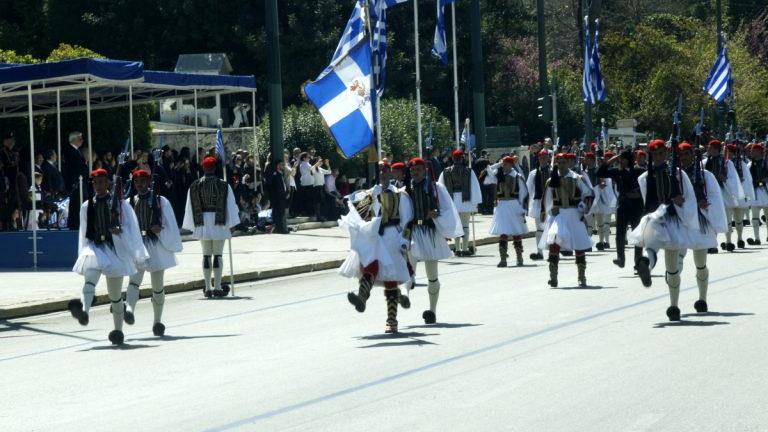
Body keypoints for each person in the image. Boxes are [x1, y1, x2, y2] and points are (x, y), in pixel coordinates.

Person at [68, 168, 148, 345]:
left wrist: (120, 231)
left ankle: (118, 331)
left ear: (108, 183)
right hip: (95, 247)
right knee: (90, 280)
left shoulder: (120, 204)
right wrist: (83, 252)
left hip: (115, 249)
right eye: (95, 183)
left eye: (101, 182)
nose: (98, 186)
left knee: (115, 295)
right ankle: (84, 311)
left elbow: (131, 227)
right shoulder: (86, 206)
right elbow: (84, 231)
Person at [628, 140, 698, 321]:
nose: (658, 157)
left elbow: (688, 199)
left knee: (671, 268)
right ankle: (645, 265)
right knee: (651, 247)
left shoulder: (678, 174)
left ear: (666, 154)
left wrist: (679, 202)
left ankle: (673, 305)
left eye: (661, 154)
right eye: (654, 154)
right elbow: (647, 200)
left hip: (673, 219)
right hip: (656, 218)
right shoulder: (645, 178)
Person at [340, 161, 413, 333]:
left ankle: (392, 319)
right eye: (380, 170)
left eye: (386, 170)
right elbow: (359, 213)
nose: (382, 173)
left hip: (392, 236)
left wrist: (405, 240)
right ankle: (362, 297)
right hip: (375, 236)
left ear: (391, 172)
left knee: (390, 278)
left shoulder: (399, 194)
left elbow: (407, 218)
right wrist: (349, 203)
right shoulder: (369, 194)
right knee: (370, 266)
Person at [124, 169, 183, 337]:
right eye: (137, 182)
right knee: (134, 281)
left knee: (157, 286)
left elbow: (169, 222)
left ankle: (157, 321)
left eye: (143, 181)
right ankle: (129, 309)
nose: (140, 185)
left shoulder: (160, 201)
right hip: (138, 245)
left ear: (149, 182)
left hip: (155, 244)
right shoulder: (129, 202)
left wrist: (160, 230)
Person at [404, 158, 462, 324]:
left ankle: (432, 311)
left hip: (429, 232)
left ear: (425, 171)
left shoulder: (436, 188)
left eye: (418, 170)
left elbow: (447, 208)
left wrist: (438, 213)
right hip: (413, 231)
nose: (415, 173)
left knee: (432, 275)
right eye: (413, 171)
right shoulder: (405, 190)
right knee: (408, 268)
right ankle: (405, 296)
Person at [678, 142, 728, 313]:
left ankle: (702, 299)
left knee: (700, 263)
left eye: (686, 154)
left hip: (699, 220)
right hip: (681, 220)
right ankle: (674, 301)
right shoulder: (674, 174)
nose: (683, 158)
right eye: (681, 154)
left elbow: (714, 196)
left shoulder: (704, 174)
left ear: (692, 154)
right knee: (676, 261)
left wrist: (706, 205)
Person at [182, 156, 240, 298]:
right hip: (219, 222)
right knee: (218, 254)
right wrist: (232, 223)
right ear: (215, 168)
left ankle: (208, 287)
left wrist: (192, 225)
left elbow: (189, 207)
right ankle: (218, 287)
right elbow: (230, 205)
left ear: (203, 168)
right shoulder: (223, 185)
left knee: (206, 255)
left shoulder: (195, 185)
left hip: (202, 222)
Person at [539, 153, 594, 288]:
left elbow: (589, 193)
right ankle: (553, 276)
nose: (562, 164)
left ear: (569, 163)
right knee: (555, 242)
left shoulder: (577, 178)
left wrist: (585, 208)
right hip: (559, 216)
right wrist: (547, 212)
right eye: (559, 162)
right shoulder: (551, 180)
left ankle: (581, 276)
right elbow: (547, 199)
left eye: (564, 162)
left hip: (574, 214)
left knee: (579, 245)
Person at [596, 149, 646, 269]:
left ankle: (638, 261)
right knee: (620, 233)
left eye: (623, 159)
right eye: (620, 159)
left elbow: (648, 183)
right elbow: (599, 173)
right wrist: (613, 158)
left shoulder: (639, 171)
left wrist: (639, 193)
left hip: (636, 205)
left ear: (629, 160)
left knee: (637, 234)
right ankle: (620, 258)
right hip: (623, 204)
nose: (621, 161)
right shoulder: (616, 171)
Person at [485, 156, 529, 267]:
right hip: (502, 206)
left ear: (510, 165)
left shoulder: (517, 177)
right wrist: (498, 164)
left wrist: (522, 209)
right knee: (503, 232)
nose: (503, 166)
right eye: (503, 164)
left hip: (514, 205)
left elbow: (524, 193)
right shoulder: (499, 176)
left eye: (505, 164)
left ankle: (519, 257)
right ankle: (503, 259)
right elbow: (487, 173)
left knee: (516, 232)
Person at [437, 149, 482, 257]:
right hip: (465, 200)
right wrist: (476, 201)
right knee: (465, 226)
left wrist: (441, 203)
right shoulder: (469, 171)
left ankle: (457, 249)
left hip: (452, 201)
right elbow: (474, 187)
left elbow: (440, 187)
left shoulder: (446, 171)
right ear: (462, 158)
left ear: (452, 158)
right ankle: (465, 248)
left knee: (456, 226)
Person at [703, 140, 743, 252]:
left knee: (726, 217)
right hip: (710, 193)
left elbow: (733, 178)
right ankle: (712, 244)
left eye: (710, 148)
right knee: (711, 218)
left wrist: (725, 179)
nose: (708, 149)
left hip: (723, 192)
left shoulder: (726, 162)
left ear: (716, 149)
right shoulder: (705, 162)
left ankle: (728, 241)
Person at [726, 143, 755, 249]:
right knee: (728, 220)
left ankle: (740, 238)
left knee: (738, 220)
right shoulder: (722, 163)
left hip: (739, 194)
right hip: (727, 194)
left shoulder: (741, 163)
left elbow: (747, 179)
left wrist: (746, 193)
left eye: (728, 151)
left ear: (733, 153)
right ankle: (728, 241)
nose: (726, 153)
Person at [526, 149, 551, 260]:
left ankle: (552, 252)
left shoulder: (553, 171)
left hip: (551, 202)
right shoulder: (533, 173)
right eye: (540, 158)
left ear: (548, 159)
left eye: (544, 158)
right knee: (539, 229)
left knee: (551, 229)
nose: (542, 160)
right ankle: (539, 252)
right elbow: (528, 189)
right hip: (538, 203)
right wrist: (526, 203)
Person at [62, 131, 90, 230]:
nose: (82, 141)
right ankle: (75, 224)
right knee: (76, 204)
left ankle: (76, 223)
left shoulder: (76, 151)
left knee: (77, 204)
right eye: (80, 138)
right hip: (76, 183)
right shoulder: (71, 151)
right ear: (74, 140)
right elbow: (73, 169)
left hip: (80, 182)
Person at [747, 143, 768, 245]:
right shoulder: (749, 164)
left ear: (759, 152)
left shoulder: (766, 162)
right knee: (755, 217)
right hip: (754, 192)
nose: (751, 152)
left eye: (753, 150)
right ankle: (757, 238)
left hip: (764, 191)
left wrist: (763, 181)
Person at [267, 159, 290, 234]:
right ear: (277, 166)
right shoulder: (275, 174)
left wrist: (286, 193)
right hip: (278, 197)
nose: (282, 166)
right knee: (278, 214)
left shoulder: (281, 174)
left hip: (282, 196)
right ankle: (280, 229)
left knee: (281, 213)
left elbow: (283, 185)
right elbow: (273, 187)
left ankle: (280, 228)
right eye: (281, 164)